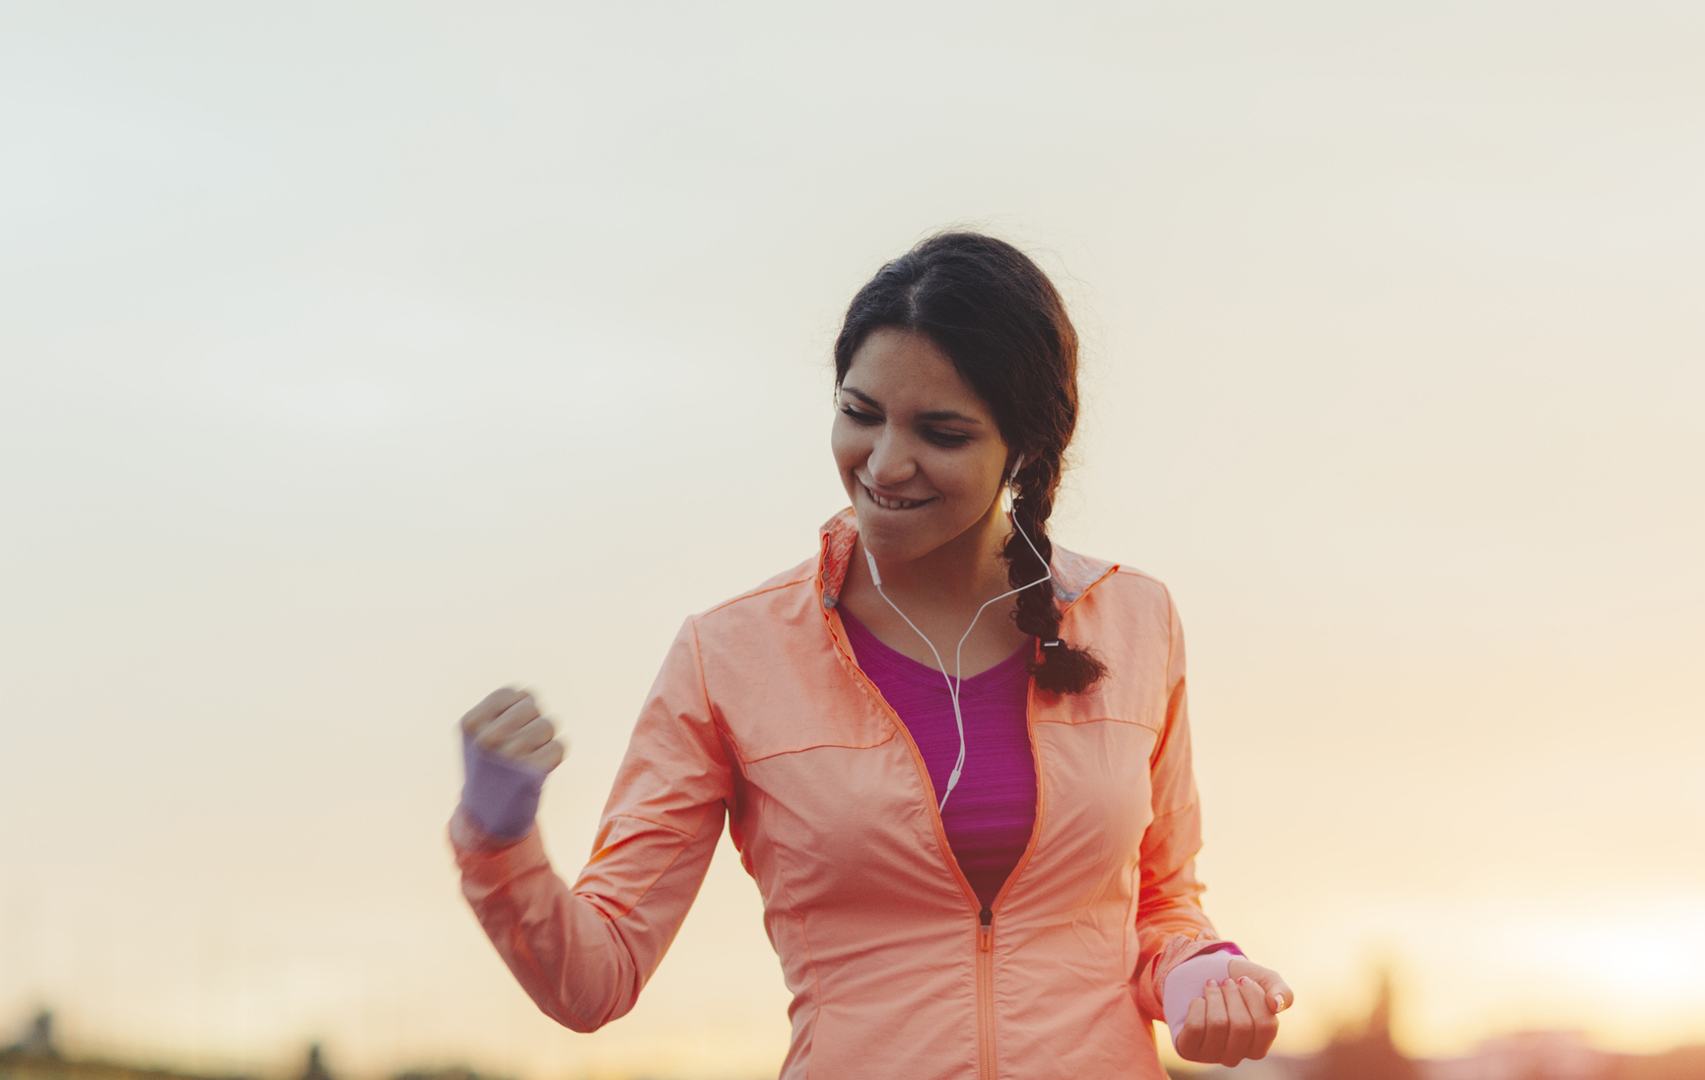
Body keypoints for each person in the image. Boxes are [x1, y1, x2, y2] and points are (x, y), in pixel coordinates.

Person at [450, 232, 1293, 1079]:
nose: (884, 465)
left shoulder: (1135, 618)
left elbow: (1162, 902)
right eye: (860, 414)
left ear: (1026, 448)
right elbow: (595, 979)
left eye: (942, 432)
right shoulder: (728, 655)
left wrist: (1199, 974)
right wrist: (500, 837)